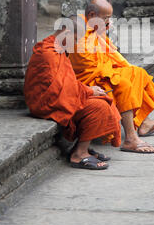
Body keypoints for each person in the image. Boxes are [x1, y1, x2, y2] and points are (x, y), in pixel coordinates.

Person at [69, 0, 154, 154]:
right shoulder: (79, 31)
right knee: (122, 83)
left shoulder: (94, 27)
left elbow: (108, 54)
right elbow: (87, 66)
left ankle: (144, 123)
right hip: (88, 79)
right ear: (91, 15)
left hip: (102, 71)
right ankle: (130, 138)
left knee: (138, 73)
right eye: (106, 18)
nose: (108, 22)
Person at [24, 15, 121, 170]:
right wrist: (88, 91)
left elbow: (64, 82)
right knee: (99, 107)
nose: (76, 44)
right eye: (75, 40)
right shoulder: (48, 53)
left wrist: (89, 91)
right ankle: (79, 154)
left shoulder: (57, 47)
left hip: (56, 97)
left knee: (104, 100)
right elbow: (58, 89)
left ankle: (82, 147)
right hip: (45, 103)